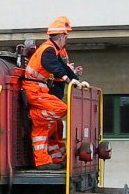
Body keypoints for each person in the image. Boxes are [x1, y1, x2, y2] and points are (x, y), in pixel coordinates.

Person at [22, 16, 88, 169]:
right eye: (66, 36)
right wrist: (67, 79)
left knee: (47, 127)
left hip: (39, 88)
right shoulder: (48, 50)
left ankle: (43, 161)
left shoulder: (53, 50)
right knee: (60, 109)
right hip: (34, 89)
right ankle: (34, 117)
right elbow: (53, 66)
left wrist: (75, 79)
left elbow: (63, 67)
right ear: (63, 36)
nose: (66, 40)